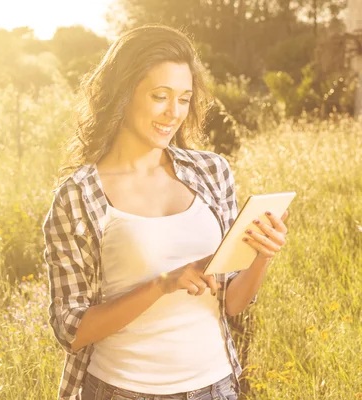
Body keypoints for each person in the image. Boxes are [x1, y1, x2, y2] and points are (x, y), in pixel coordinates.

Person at [42, 25, 289, 400]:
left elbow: (232, 303)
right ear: (122, 95)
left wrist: (260, 256)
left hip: (217, 387)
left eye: (184, 99)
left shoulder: (212, 172)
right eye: (160, 96)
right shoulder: (78, 196)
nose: (173, 113)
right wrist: (162, 284)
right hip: (122, 390)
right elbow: (70, 331)